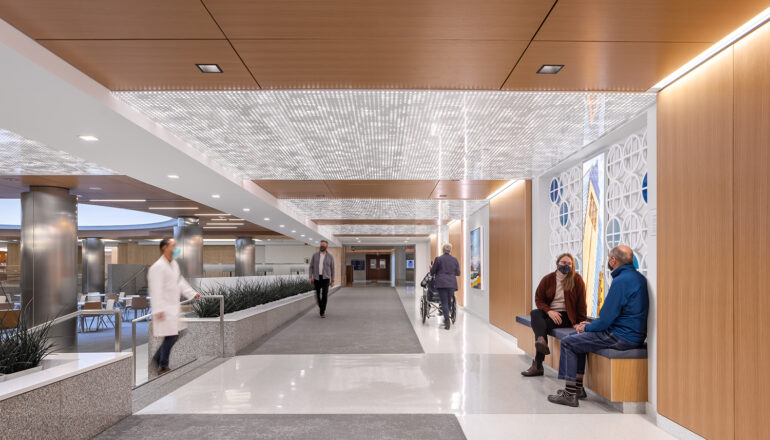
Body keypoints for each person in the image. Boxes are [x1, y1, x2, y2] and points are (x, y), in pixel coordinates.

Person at [547, 245, 649, 407]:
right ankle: (578, 388)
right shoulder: (638, 278)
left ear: (613, 260)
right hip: (631, 334)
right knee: (576, 339)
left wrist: (585, 327)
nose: (608, 260)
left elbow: (607, 318)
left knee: (568, 342)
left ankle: (569, 394)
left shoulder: (621, 281)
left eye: (609, 257)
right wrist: (589, 325)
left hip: (620, 336)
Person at [521, 253, 586, 377]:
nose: (566, 265)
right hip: (549, 312)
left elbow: (581, 304)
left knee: (542, 326)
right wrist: (549, 311)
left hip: (566, 316)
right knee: (535, 313)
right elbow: (539, 299)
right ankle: (541, 341)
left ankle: (538, 364)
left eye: (569, 264)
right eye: (563, 263)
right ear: (557, 264)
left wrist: (580, 322)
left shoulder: (577, 280)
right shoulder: (548, 279)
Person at [148, 238, 200, 375]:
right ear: (164, 247)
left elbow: (180, 282)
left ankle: (159, 361)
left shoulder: (174, 264)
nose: (176, 249)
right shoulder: (157, 267)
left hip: (173, 307)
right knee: (171, 336)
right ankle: (161, 365)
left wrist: (193, 294)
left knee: (177, 333)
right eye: (173, 246)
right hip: (164, 308)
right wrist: (158, 309)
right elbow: (155, 290)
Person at [430, 243, 460, 330]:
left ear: (443, 250)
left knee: (444, 302)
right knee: (449, 301)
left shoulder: (438, 259)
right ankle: (447, 317)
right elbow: (458, 273)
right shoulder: (455, 260)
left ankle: (447, 320)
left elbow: (433, 271)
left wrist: (432, 268)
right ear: (450, 250)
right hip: (451, 283)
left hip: (442, 283)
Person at [308, 240, 335, 318]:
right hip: (317, 278)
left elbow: (333, 269)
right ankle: (321, 307)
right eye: (321, 245)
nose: (321, 246)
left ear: (326, 247)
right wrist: (310, 277)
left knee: (324, 295)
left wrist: (333, 280)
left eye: (323, 245)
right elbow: (311, 267)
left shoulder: (330, 257)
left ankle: (322, 312)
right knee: (317, 294)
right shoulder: (315, 255)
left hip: (326, 278)